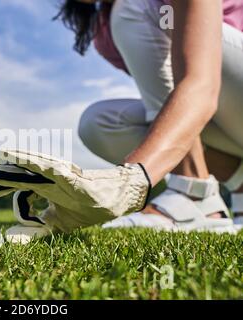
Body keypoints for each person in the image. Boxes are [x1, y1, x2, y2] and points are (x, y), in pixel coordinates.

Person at [55, 0, 243, 230]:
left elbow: (201, 87)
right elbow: (165, 91)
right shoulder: (104, 34)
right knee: (99, 124)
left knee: (133, 6)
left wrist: (123, 185)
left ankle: (193, 191)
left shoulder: (130, 10)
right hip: (233, 122)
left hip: (219, 89)